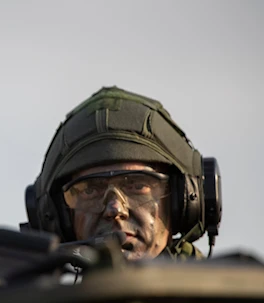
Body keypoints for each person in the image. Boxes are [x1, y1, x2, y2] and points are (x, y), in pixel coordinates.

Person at [23, 86, 222, 262]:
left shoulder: (228, 300)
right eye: (90, 190)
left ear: (185, 201)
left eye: (137, 186)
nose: (115, 209)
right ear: (57, 215)